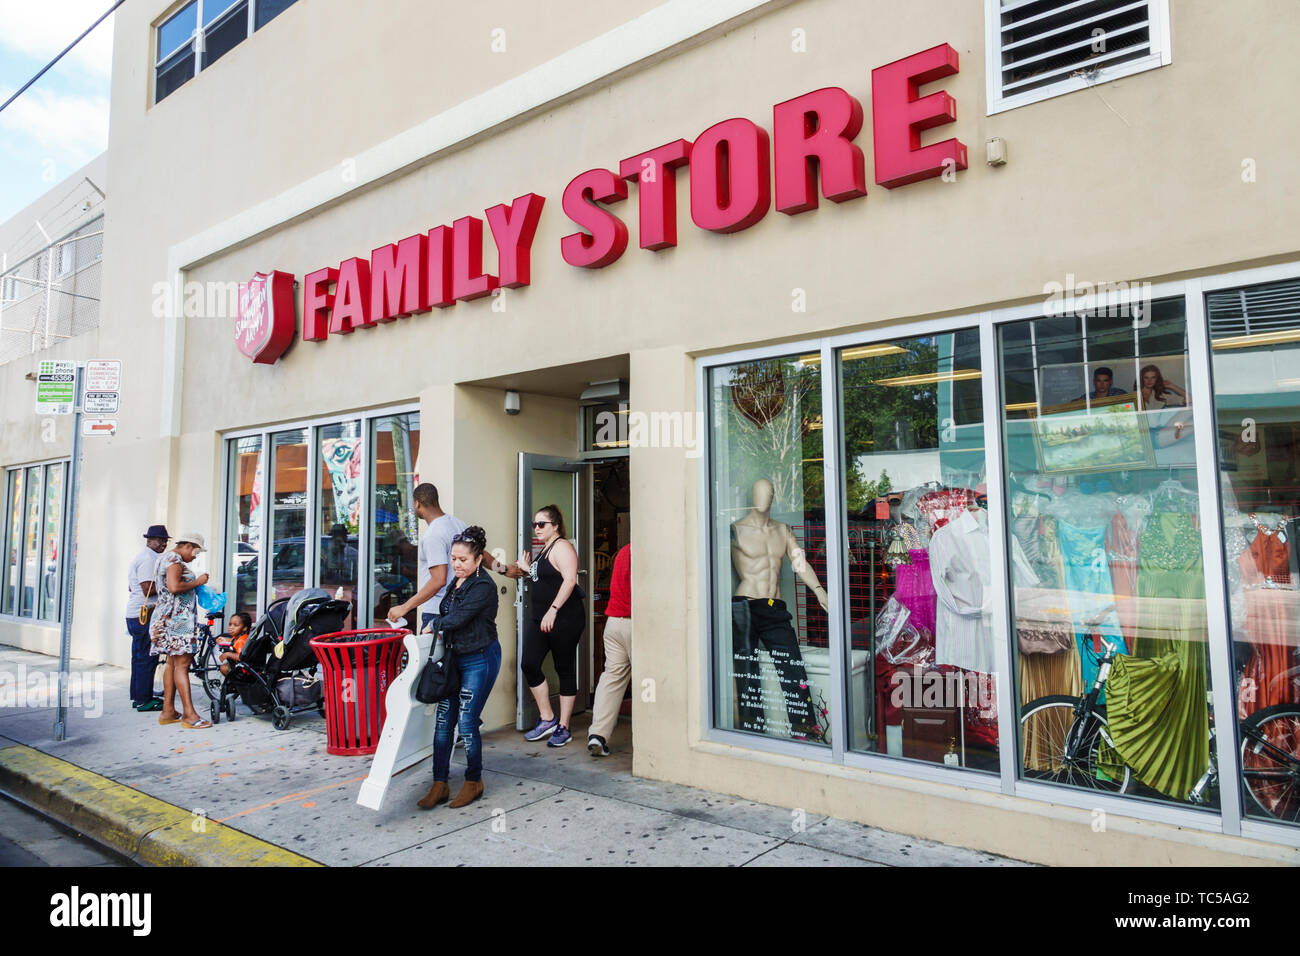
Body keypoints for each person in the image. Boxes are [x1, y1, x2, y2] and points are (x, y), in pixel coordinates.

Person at [416, 526, 502, 810]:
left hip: (480, 657)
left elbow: (459, 618)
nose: (456, 564)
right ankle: (439, 783)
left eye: (463, 559)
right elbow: (449, 612)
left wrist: (434, 625)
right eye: (453, 558)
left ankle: (473, 780)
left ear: (478, 560)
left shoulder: (483, 586)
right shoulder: (457, 581)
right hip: (455, 658)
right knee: (443, 722)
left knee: (466, 722)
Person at [386, 483, 519, 630]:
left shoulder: (433, 536)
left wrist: (404, 607)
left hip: (437, 612)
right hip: (458, 608)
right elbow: (481, 554)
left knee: (434, 653)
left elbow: (439, 580)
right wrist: (504, 569)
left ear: (417, 503)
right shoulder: (457, 523)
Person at [517, 504, 585, 748]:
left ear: (555, 526)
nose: (537, 528)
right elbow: (545, 578)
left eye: (542, 524)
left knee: (564, 667)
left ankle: (564, 727)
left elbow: (569, 580)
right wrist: (527, 570)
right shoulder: (545, 549)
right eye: (534, 524)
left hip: (564, 617)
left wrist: (554, 610)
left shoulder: (563, 546)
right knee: (529, 663)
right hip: (542, 617)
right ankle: (547, 718)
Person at [150, 531, 211, 729]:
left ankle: (168, 711)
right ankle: (189, 715)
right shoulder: (174, 560)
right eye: (196, 552)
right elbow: (175, 587)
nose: (195, 556)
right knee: (182, 665)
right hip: (178, 620)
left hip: (167, 618)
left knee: (171, 663)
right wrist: (198, 582)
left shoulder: (164, 558)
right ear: (188, 546)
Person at [588, 542, 630, 756]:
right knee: (649, 680)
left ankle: (598, 734)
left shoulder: (623, 551)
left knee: (611, 678)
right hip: (636, 623)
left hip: (614, 622)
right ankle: (651, 736)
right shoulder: (648, 552)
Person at [127, 525, 169, 712]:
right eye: (160, 540)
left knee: (138, 657)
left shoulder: (145, 557)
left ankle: (138, 696)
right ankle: (144, 700)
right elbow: (147, 589)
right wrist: (170, 585)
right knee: (147, 657)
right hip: (144, 615)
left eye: (165, 541)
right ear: (149, 540)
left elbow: (131, 587)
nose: (163, 544)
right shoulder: (148, 559)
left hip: (135, 614)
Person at [217, 611, 253, 676]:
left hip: (243, 669)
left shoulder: (241, 641)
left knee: (224, 668)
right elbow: (233, 641)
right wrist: (224, 640)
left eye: (235, 625)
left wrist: (227, 654)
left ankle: (235, 684)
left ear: (244, 628)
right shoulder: (239, 637)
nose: (231, 627)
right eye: (230, 624)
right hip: (241, 666)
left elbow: (241, 657)